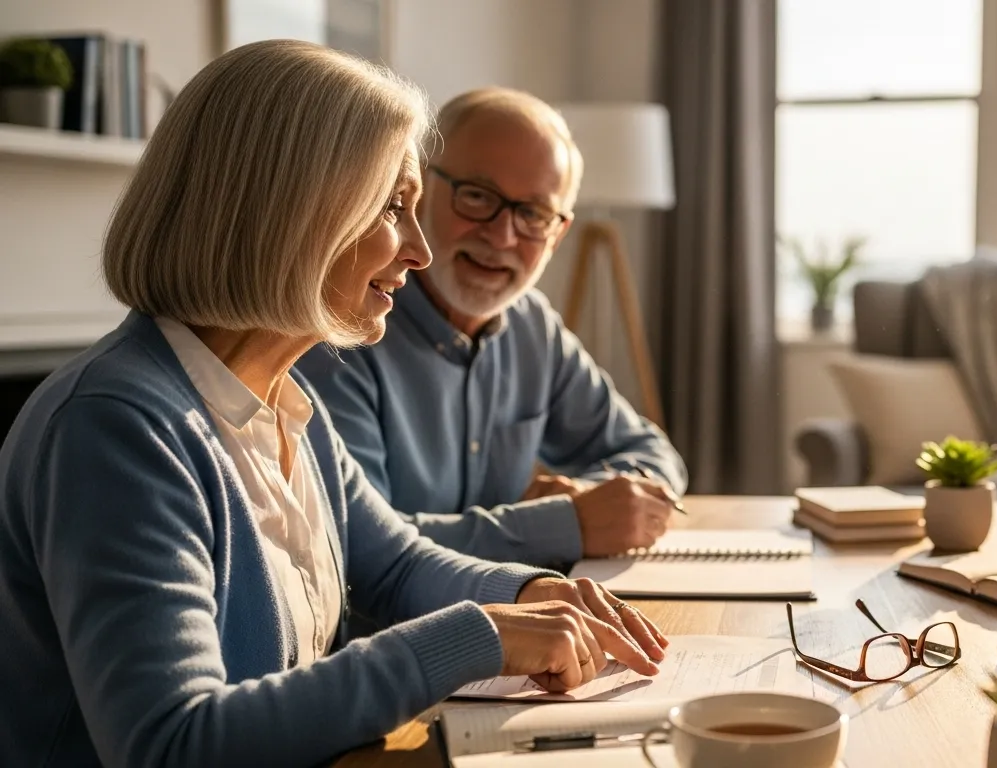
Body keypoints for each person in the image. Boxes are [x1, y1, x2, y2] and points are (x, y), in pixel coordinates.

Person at [0, 41, 666, 768]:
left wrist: (535, 591)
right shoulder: (116, 427)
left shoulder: (285, 396)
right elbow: (171, 742)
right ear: (287, 209)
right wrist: (479, 636)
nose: (419, 249)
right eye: (392, 207)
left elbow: (397, 566)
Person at [296, 86, 687, 570]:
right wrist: (566, 525)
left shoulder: (532, 325)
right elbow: (359, 548)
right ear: (419, 192)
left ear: (558, 233)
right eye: (477, 197)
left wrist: (593, 502)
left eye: (533, 215)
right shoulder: (346, 327)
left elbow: (651, 453)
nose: (501, 236)